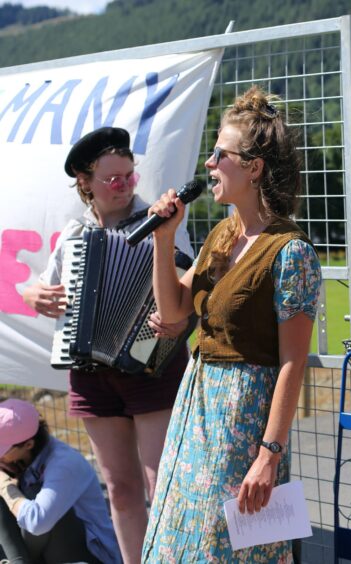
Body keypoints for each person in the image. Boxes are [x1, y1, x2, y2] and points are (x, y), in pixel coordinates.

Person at [141, 86, 322, 562]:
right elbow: (178, 310)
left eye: (220, 154)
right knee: (181, 539)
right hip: (196, 406)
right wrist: (164, 239)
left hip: (242, 417)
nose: (209, 164)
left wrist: (268, 454)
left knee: (226, 547)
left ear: (254, 168)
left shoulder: (291, 252)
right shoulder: (223, 234)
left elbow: (292, 363)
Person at [22, 127, 192, 564]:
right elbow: (41, 287)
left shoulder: (163, 220)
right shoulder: (73, 234)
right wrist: (34, 294)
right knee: (119, 486)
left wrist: (175, 316)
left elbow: (191, 288)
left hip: (153, 364)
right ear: (85, 183)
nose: (123, 186)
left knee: (163, 484)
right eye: (111, 179)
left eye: (129, 176)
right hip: (91, 374)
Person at [0, 398, 121, 564]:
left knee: (31, 497)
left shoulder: (64, 463)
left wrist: (7, 488)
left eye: (3, 449)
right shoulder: (22, 457)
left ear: (28, 444)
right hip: (47, 548)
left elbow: (37, 522)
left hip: (88, 555)